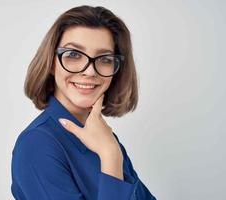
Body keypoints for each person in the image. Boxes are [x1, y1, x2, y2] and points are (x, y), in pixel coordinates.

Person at [11, 5, 156, 200]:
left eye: (105, 58)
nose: (90, 71)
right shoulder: (36, 144)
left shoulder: (103, 137)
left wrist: (110, 149)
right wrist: (110, 156)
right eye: (73, 55)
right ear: (51, 63)